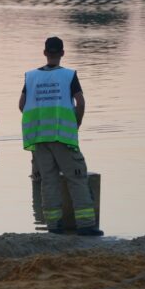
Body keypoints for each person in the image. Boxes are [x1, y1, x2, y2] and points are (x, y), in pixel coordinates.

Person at [19, 36, 104, 236]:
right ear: (63, 53)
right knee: (77, 177)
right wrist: (77, 122)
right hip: (63, 137)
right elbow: (80, 102)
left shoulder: (31, 77)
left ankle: (53, 227)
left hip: (39, 138)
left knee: (48, 182)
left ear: (45, 53)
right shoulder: (68, 76)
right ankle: (85, 226)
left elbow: (22, 105)